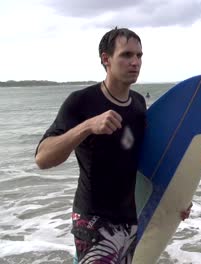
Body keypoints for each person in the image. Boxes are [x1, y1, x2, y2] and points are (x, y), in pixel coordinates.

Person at [35, 27, 191, 264]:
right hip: (93, 220)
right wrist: (88, 126)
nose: (135, 62)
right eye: (127, 55)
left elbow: (147, 162)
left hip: (130, 220)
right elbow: (43, 158)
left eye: (139, 56)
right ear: (106, 59)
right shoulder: (81, 101)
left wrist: (176, 199)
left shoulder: (138, 104)